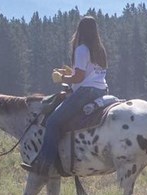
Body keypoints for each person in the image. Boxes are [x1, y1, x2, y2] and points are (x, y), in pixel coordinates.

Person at [23, 15, 108, 176]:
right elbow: (90, 73)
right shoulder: (100, 50)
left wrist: (61, 78)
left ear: (80, 30)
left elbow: (79, 78)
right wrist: (71, 73)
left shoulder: (82, 49)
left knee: (53, 121)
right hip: (101, 90)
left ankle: (44, 164)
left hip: (86, 92)